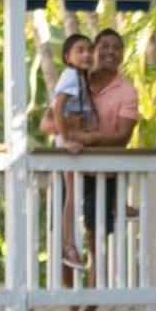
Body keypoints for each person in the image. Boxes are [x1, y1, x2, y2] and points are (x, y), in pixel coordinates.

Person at [59, 27, 140, 252]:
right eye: (104, 46)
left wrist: (87, 137)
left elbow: (122, 135)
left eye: (116, 48)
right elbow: (47, 122)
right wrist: (69, 133)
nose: (110, 52)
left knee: (96, 234)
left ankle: (95, 284)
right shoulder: (77, 80)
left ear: (122, 55)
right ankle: (66, 286)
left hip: (104, 173)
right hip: (72, 166)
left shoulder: (127, 91)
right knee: (60, 231)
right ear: (94, 51)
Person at [47, 33, 95, 277]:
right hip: (70, 143)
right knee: (72, 195)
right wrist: (66, 140)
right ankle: (68, 245)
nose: (86, 54)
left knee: (75, 193)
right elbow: (56, 107)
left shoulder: (82, 79)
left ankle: (70, 245)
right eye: (80, 50)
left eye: (89, 50)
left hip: (77, 140)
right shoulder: (70, 76)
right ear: (68, 57)